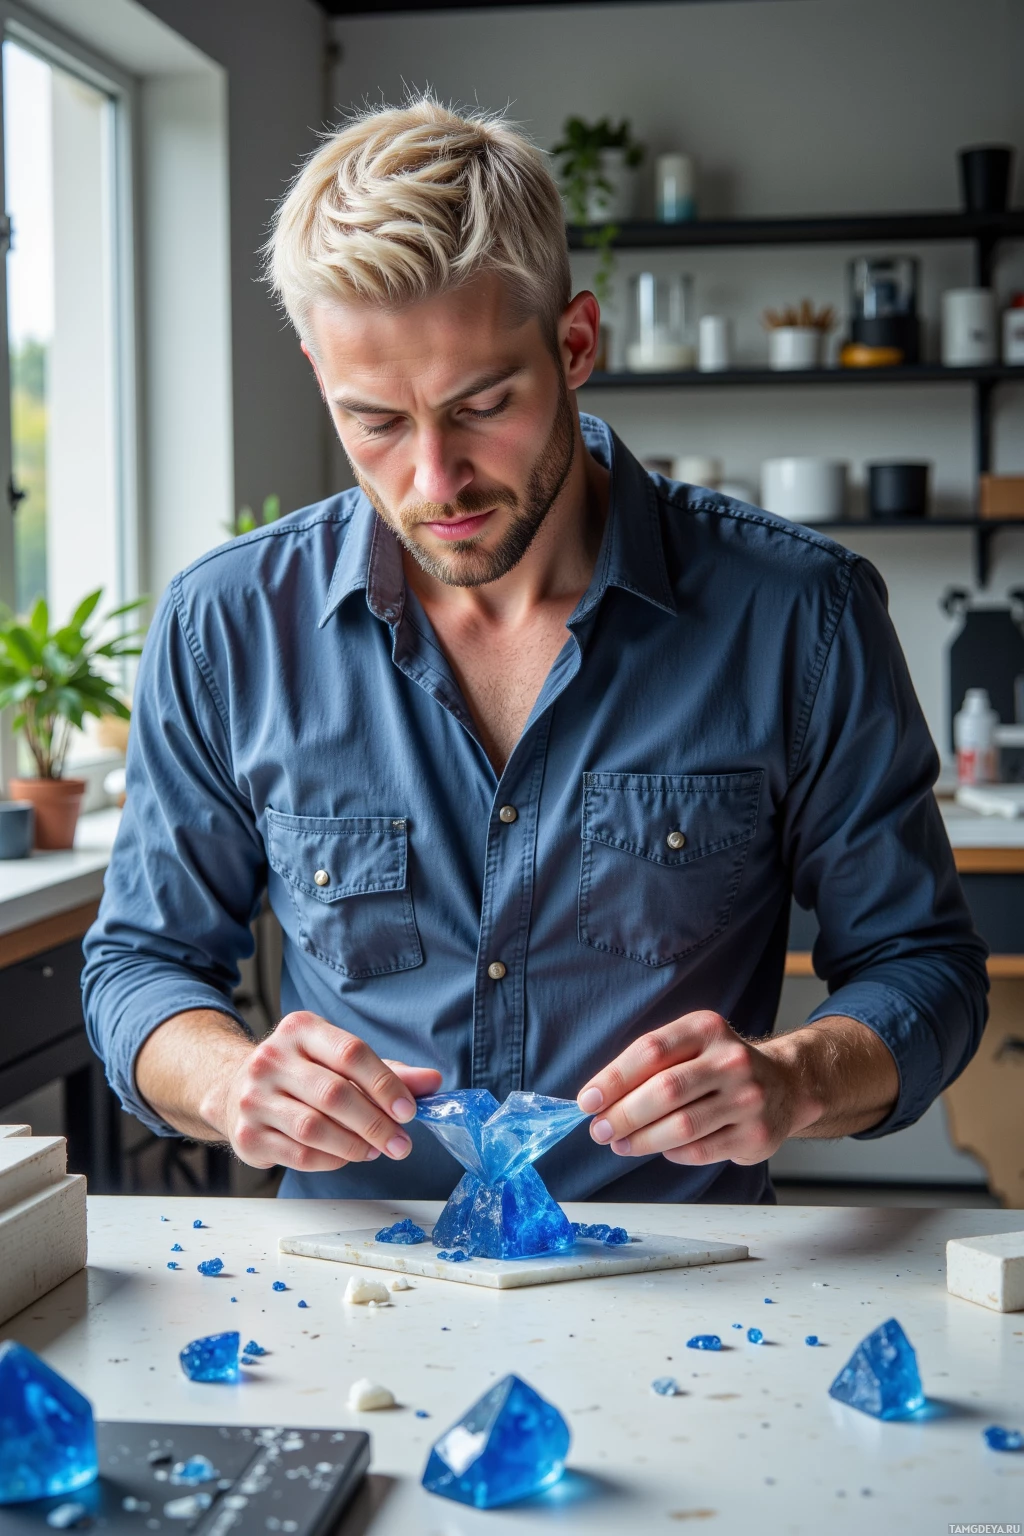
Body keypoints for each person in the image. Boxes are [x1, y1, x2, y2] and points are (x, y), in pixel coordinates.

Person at [82, 97, 988, 1205]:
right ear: (322, 378)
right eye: (374, 421)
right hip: (353, 1309)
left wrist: (794, 1079)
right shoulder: (226, 627)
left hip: (682, 1298)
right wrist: (228, 1081)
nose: (433, 481)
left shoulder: (804, 615)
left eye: (481, 405)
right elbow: (140, 966)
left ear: (574, 344)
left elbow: (926, 968)